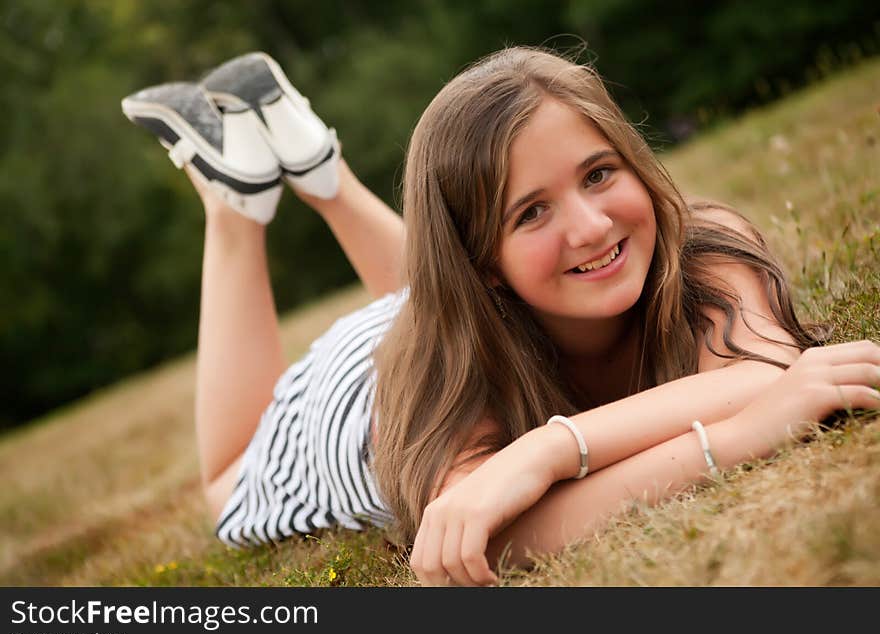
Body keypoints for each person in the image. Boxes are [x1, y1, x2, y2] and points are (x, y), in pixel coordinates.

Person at [122, 47, 880, 587]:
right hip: (361, 397)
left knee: (485, 290)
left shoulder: (706, 241)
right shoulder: (446, 380)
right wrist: (741, 435)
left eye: (598, 173)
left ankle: (321, 168)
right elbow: (496, 534)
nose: (590, 225)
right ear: (483, 259)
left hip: (459, 309)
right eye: (532, 210)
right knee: (226, 485)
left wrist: (546, 453)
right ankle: (235, 201)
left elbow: (766, 367)